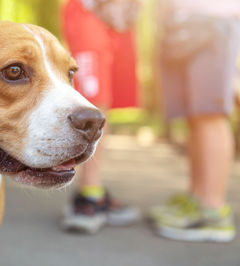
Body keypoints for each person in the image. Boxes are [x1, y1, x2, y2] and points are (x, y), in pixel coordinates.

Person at [150, 0, 240, 242]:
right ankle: (198, 198)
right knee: (195, 116)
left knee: (210, 114)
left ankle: (213, 210)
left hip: (215, 20)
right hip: (182, 20)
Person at [60, 0, 141, 234]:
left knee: (105, 105)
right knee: (92, 102)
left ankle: (92, 190)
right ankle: (88, 196)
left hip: (121, 15)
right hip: (91, 10)